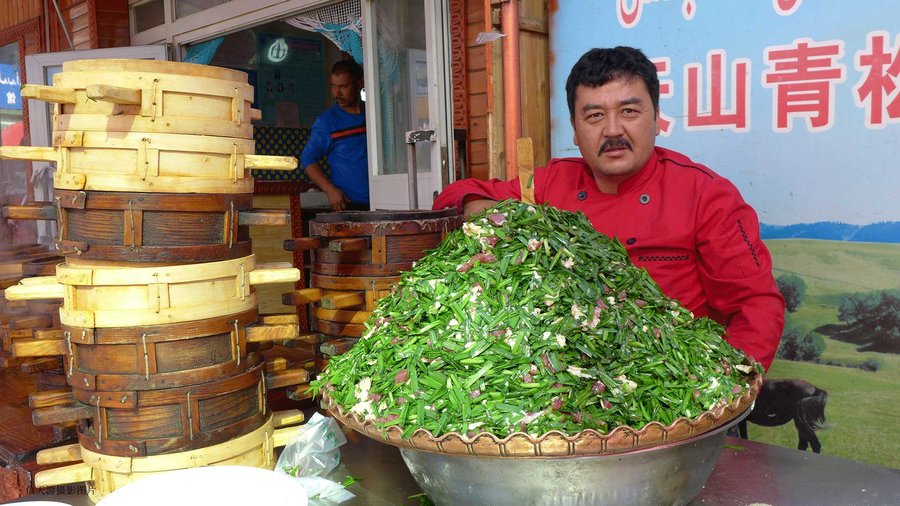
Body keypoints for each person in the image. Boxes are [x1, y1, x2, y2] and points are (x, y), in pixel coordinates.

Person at [432, 46, 785, 370]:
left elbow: (756, 306)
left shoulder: (707, 195)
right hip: (566, 377)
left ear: (657, 118)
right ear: (574, 129)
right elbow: (456, 195)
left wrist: (724, 382)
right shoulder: (549, 185)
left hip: (674, 379)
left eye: (629, 111)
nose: (613, 130)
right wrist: (501, 218)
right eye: (595, 116)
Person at [301, 59, 369, 211]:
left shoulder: (373, 114)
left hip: (385, 200)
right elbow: (307, 159)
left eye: (343, 86)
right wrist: (329, 190)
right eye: (333, 86)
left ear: (359, 84)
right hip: (350, 205)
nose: (337, 93)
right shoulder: (327, 122)